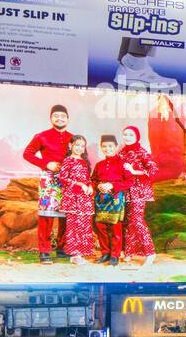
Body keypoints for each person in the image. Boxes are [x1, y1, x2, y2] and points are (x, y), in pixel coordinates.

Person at [22, 103, 73, 264]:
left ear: (68, 119)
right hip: (49, 180)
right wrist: (46, 164)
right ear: (50, 118)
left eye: (62, 116)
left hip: (68, 180)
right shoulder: (41, 136)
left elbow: (81, 157)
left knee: (66, 213)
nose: (59, 118)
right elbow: (27, 154)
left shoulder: (73, 138)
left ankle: (62, 248)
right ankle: (44, 251)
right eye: (56, 116)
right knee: (46, 215)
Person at [118, 125, 158, 268]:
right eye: (125, 134)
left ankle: (150, 252)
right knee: (128, 221)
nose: (127, 137)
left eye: (131, 135)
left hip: (140, 191)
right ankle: (129, 252)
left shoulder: (141, 152)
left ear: (136, 137)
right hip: (126, 192)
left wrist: (134, 171)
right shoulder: (121, 153)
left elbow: (153, 170)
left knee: (137, 219)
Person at [57, 134, 94, 264]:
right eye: (77, 145)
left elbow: (87, 179)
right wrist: (80, 184)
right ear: (70, 145)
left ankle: (81, 253)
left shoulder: (84, 162)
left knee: (84, 224)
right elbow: (62, 178)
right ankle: (74, 254)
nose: (79, 148)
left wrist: (89, 186)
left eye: (82, 146)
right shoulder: (68, 160)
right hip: (72, 198)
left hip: (84, 198)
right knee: (73, 225)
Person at [91, 135, 129, 265]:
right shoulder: (99, 165)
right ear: (101, 147)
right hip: (101, 199)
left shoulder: (122, 163)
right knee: (100, 226)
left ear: (116, 146)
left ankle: (115, 255)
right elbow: (93, 180)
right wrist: (98, 186)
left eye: (110, 146)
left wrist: (113, 185)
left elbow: (129, 181)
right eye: (104, 146)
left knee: (115, 227)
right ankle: (105, 253)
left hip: (116, 199)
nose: (107, 149)